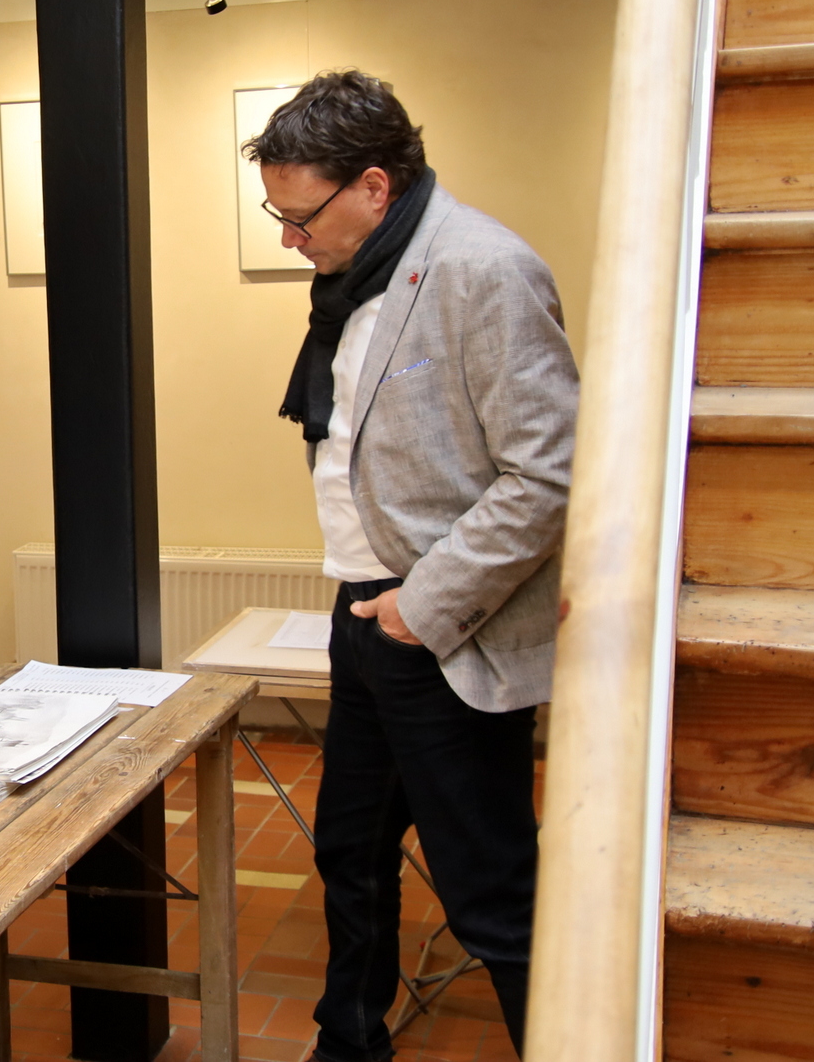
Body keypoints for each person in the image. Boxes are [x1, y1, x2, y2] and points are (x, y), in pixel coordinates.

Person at [242, 70, 578, 1060]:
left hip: (440, 629)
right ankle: (348, 1043)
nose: (288, 239)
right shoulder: (356, 278)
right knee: (349, 848)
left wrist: (417, 608)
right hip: (364, 614)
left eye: (299, 216)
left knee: (488, 893)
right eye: (276, 214)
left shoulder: (485, 269)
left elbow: (546, 474)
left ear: (374, 187)